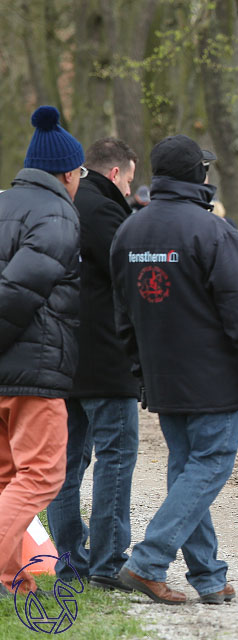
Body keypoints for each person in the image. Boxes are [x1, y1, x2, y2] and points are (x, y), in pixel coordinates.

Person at [110, 134, 238, 605]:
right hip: (214, 381)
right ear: (196, 176)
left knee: (188, 470)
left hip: (164, 378)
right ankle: (147, 562)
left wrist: (139, 373)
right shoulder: (214, 232)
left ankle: (208, 576)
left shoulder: (129, 232)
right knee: (208, 467)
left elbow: (122, 315)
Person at [46, 137, 140, 592]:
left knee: (64, 467)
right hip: (105, 358)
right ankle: (106, 561)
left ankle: (69, 563)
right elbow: (129, 279)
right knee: (116, 459)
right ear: (117, 173)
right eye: (130, 180)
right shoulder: (105, 213)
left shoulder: (59, 207)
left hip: (60, 359)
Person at [0, 106, 84, 596]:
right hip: (34, 373)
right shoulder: (56, 215)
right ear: (69, 173)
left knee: (7, 476)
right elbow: (19, 292)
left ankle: (11, 577)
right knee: (41, 476)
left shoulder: (3, 203)